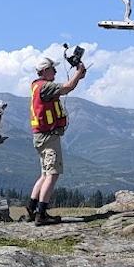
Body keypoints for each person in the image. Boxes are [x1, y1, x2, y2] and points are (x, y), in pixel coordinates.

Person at [24, 54, 86, 225]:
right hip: (48, 136)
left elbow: (68, 86)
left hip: (39, 136)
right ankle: (41, 214)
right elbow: (67, 87)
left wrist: (78, 76)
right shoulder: (45, 87)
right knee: (52, 174)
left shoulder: (37, 87)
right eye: (53, 69)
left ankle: (31, 210)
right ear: (45, 71)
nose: (56, 71)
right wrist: (78, 72)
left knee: (44, 174)